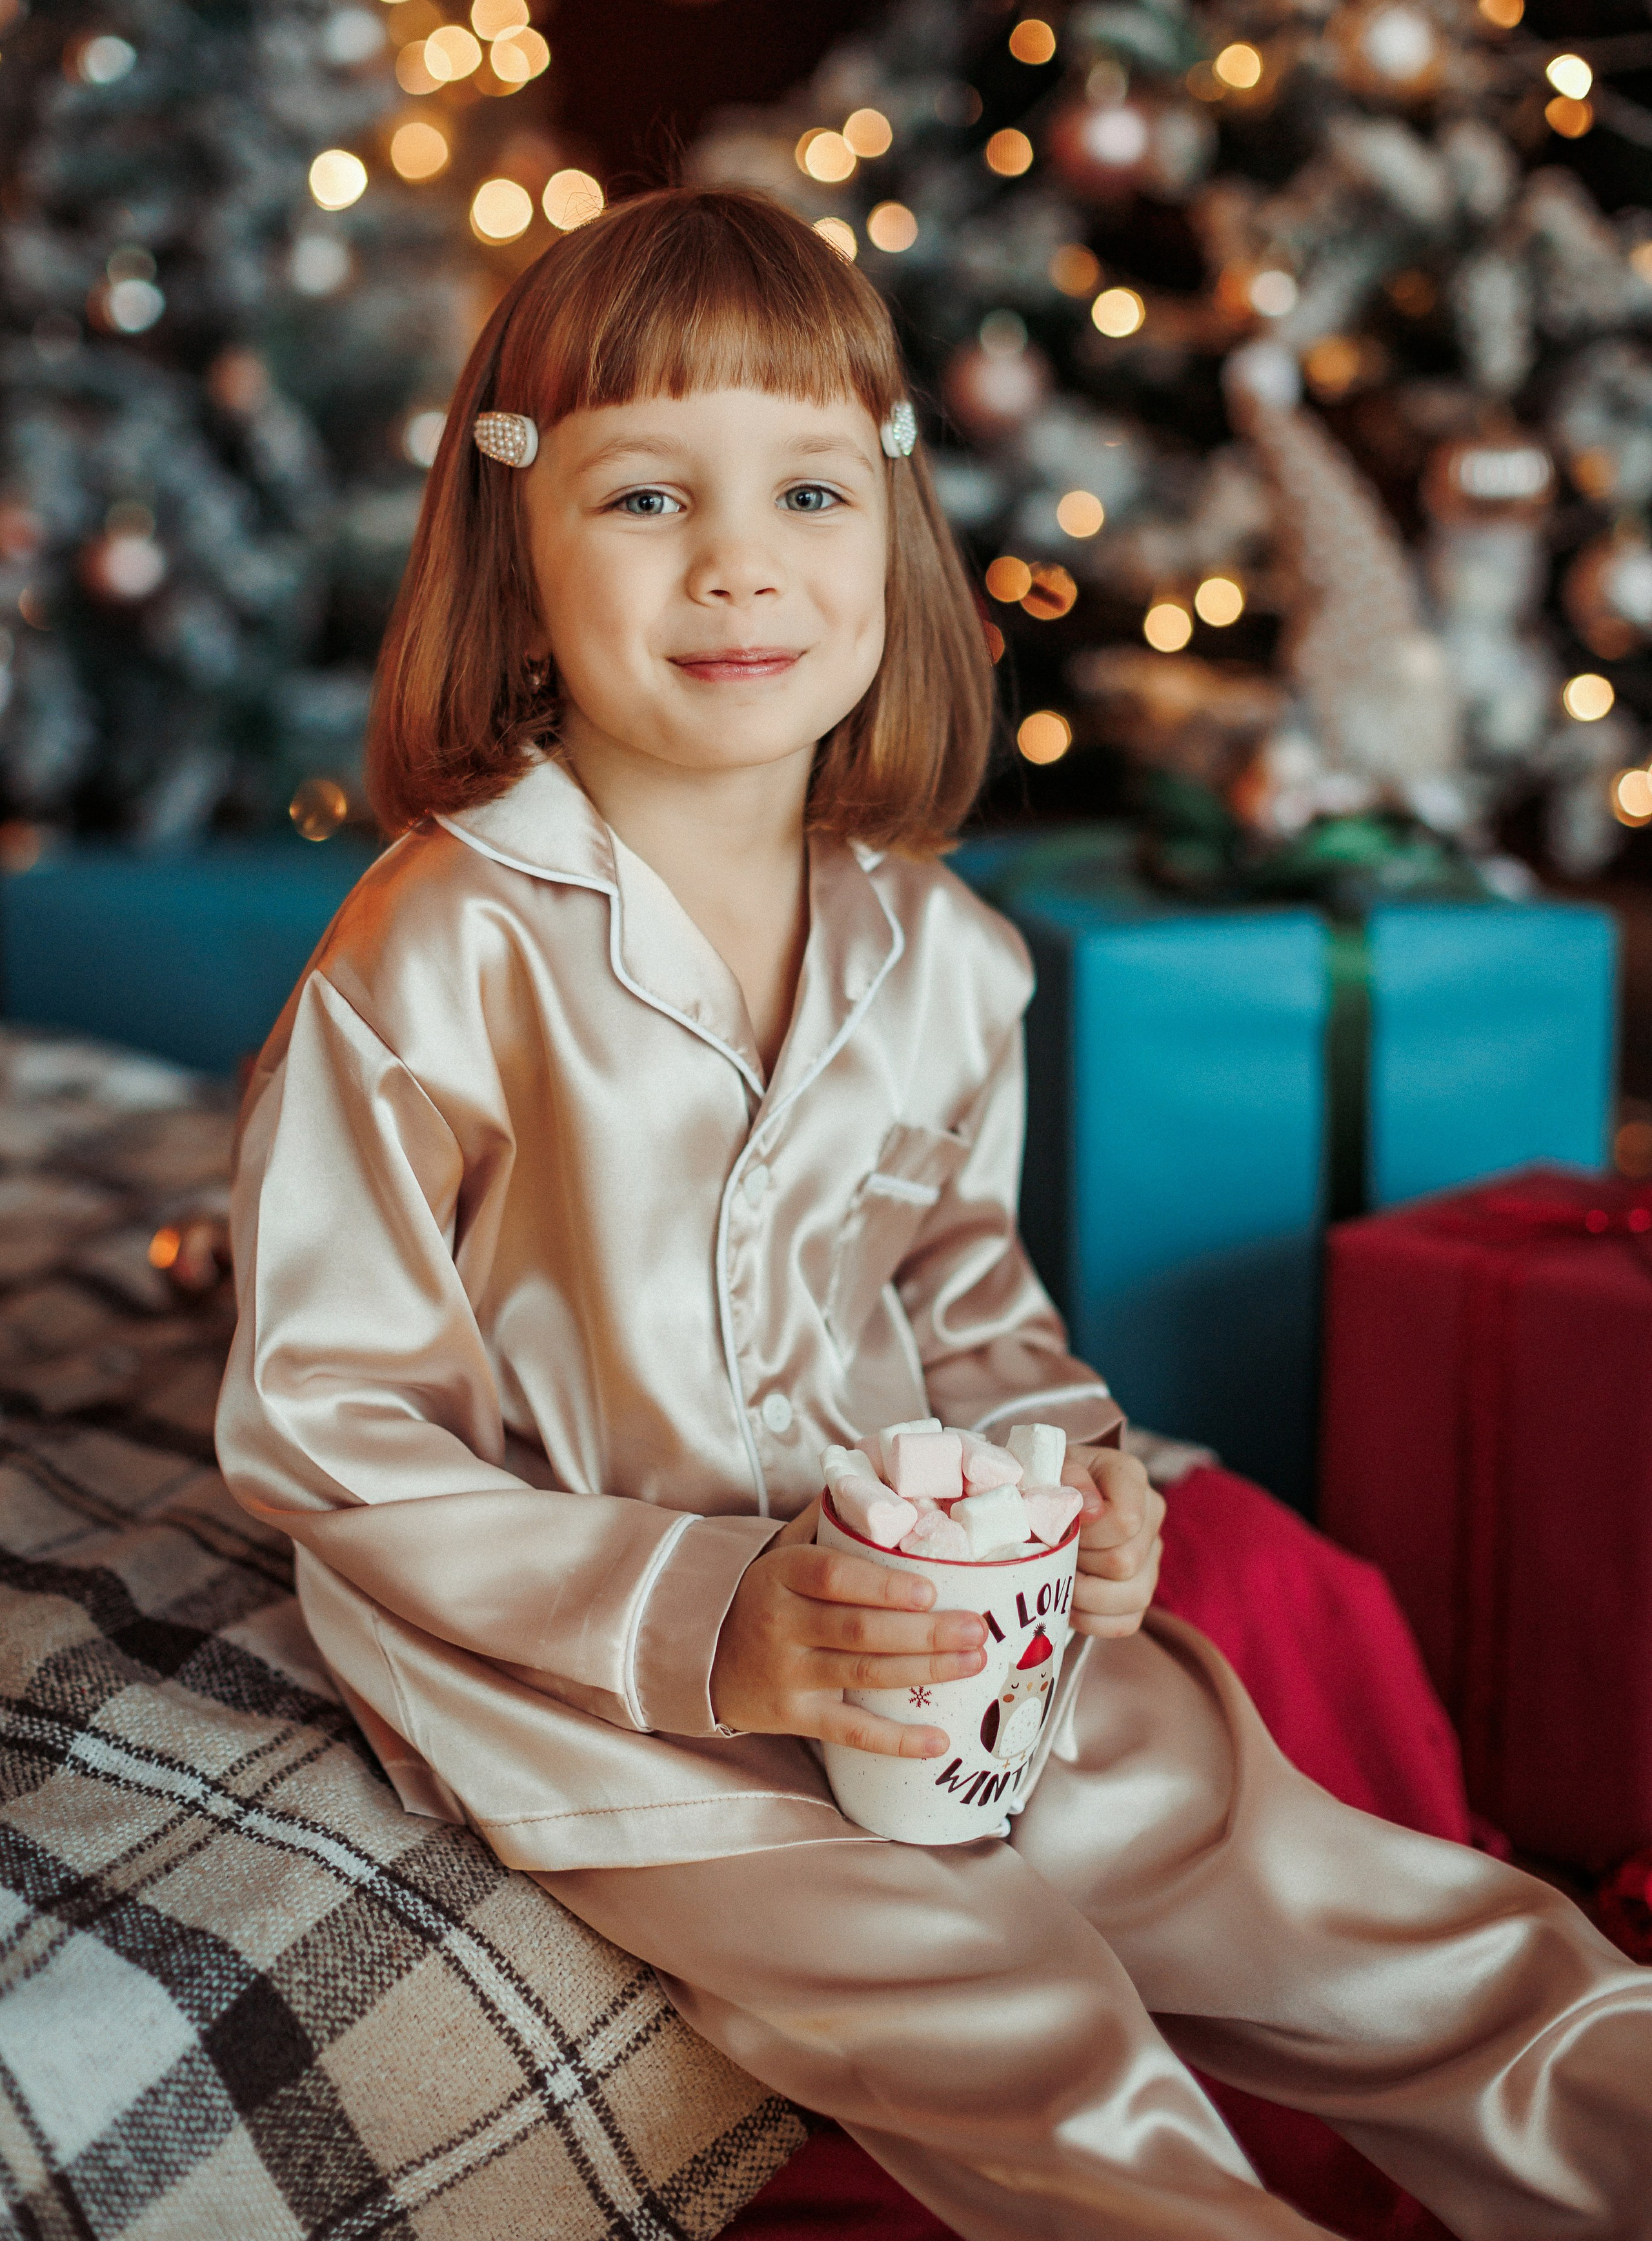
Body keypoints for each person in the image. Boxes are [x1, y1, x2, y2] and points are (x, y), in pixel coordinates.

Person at [216, 188, 1652, 2240]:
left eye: (807, 488)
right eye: (644, 498)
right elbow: (323, 1422)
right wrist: (727, 1629)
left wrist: (1071, 1469)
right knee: (1026, 2030)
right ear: (514, 555)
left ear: (887, 536)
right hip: (589, 1662)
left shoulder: (942, 951)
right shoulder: (437, 955)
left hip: (939, 1620)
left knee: (1367, 1913)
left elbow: (962, 1291)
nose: (738, 566)